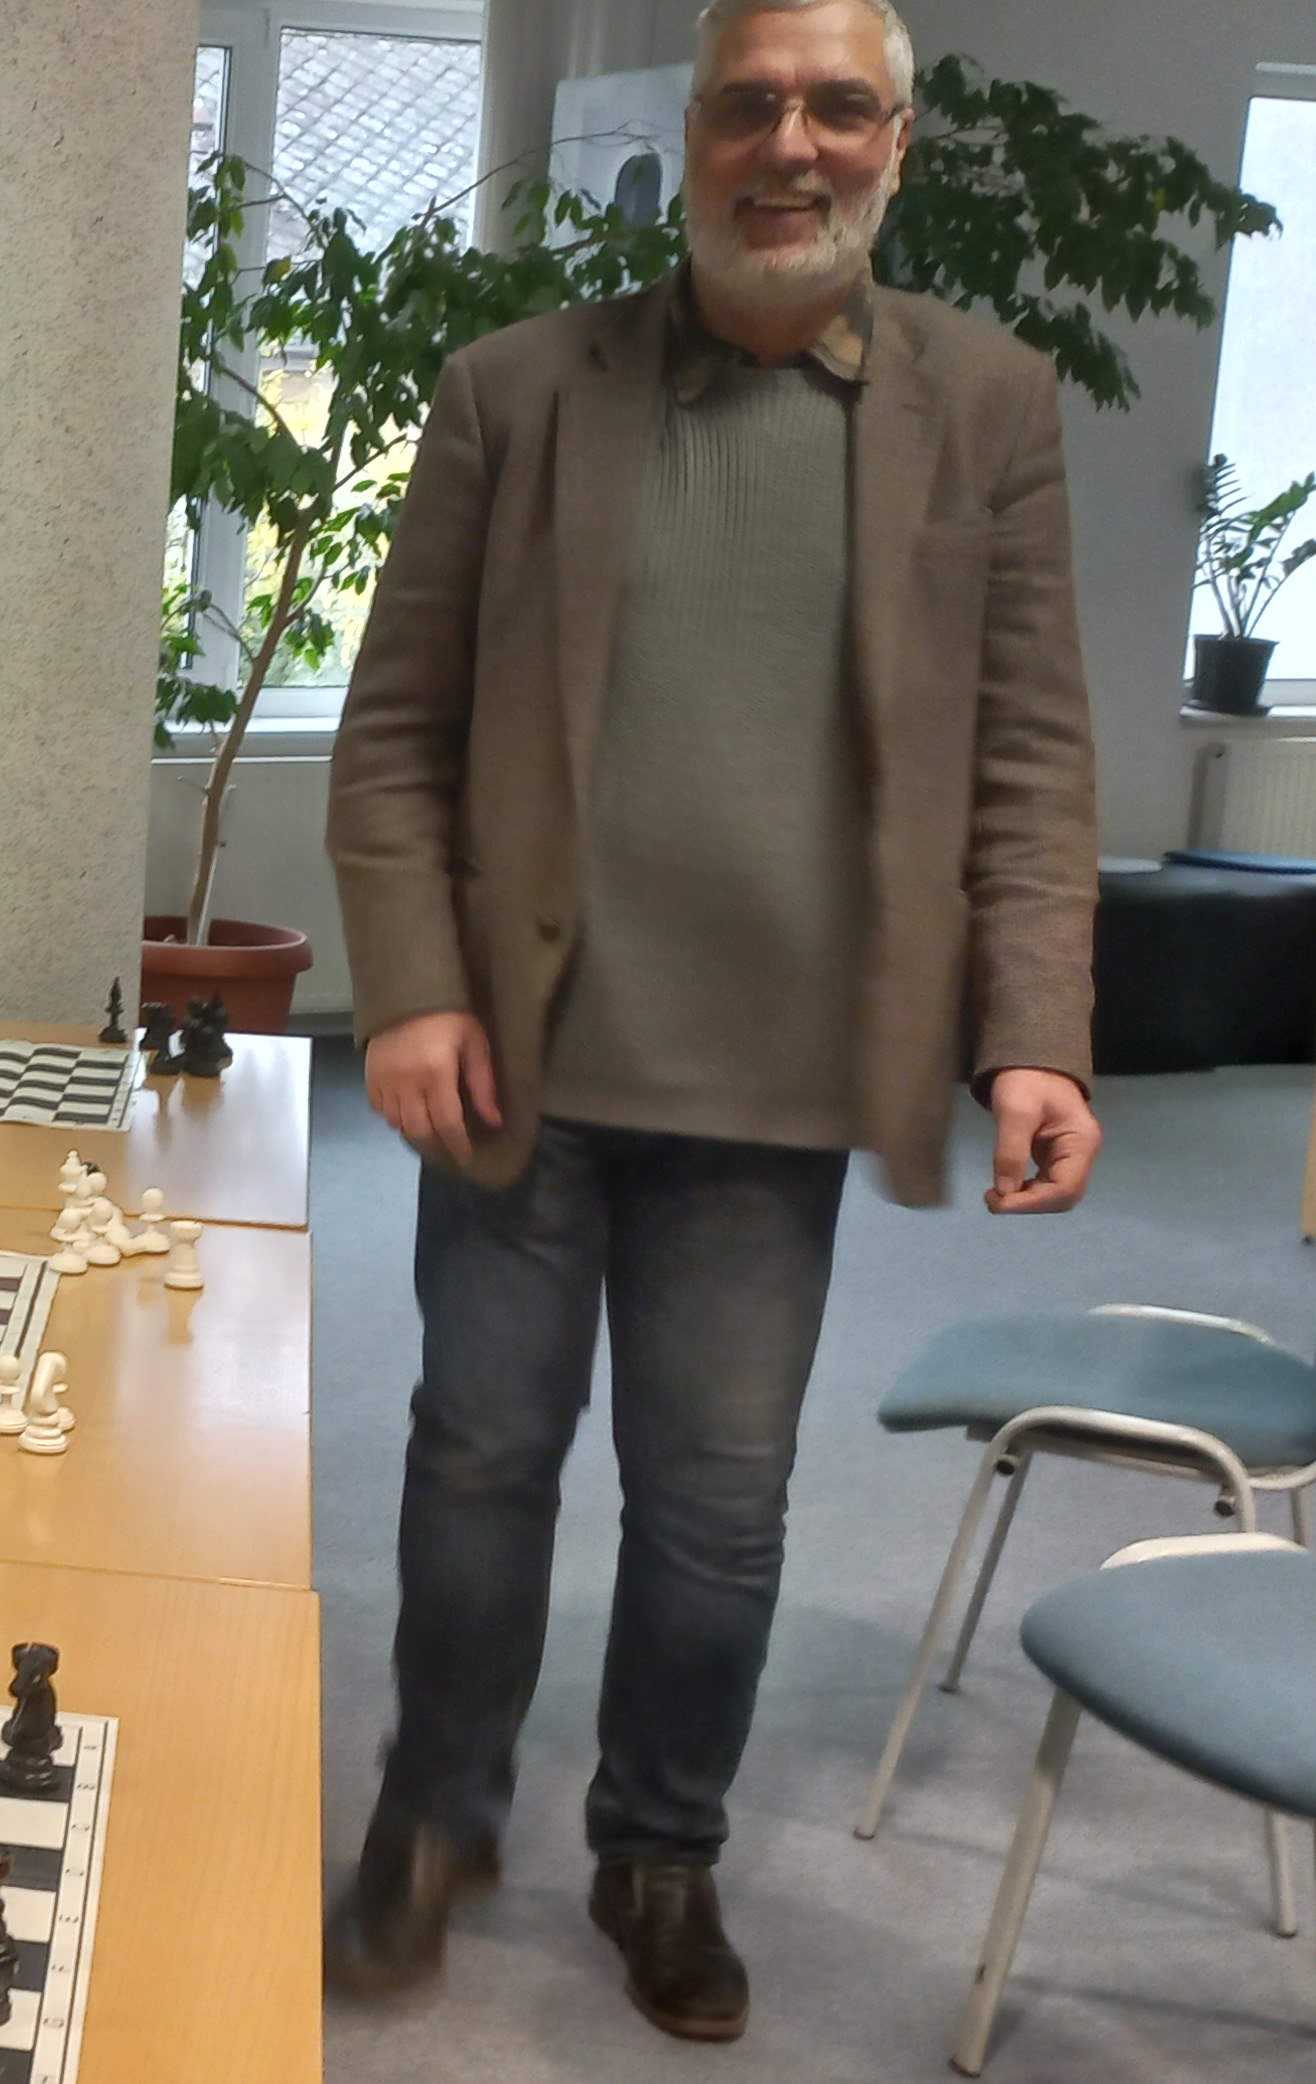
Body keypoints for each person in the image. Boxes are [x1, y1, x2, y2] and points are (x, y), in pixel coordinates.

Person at [316, 0, 1100, 2040]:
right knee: (475, 1455)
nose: (789, 143)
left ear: (894, 141)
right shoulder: (514, 391)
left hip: (780, 1087)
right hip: (521, 1060)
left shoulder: (986, 405)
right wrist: (408, 985)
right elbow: (390, 737)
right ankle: (431, 1811)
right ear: (688, 136)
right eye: (748, 103)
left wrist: (1032, 1031)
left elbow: (1027, 754)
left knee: (715, 1504)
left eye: (835, 106)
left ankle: (659, 1848)